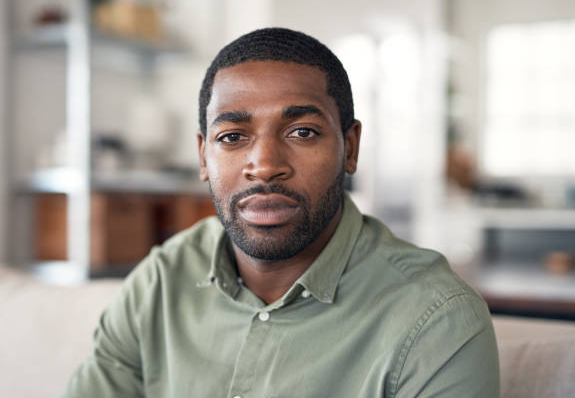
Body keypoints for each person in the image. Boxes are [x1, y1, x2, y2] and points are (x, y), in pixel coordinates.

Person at [64, 27, 499, 397]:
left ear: (350, 148)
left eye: (302, 131)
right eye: (233, 136)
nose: (265, 165)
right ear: (203, 157)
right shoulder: (159, 284)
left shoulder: (438, 319)